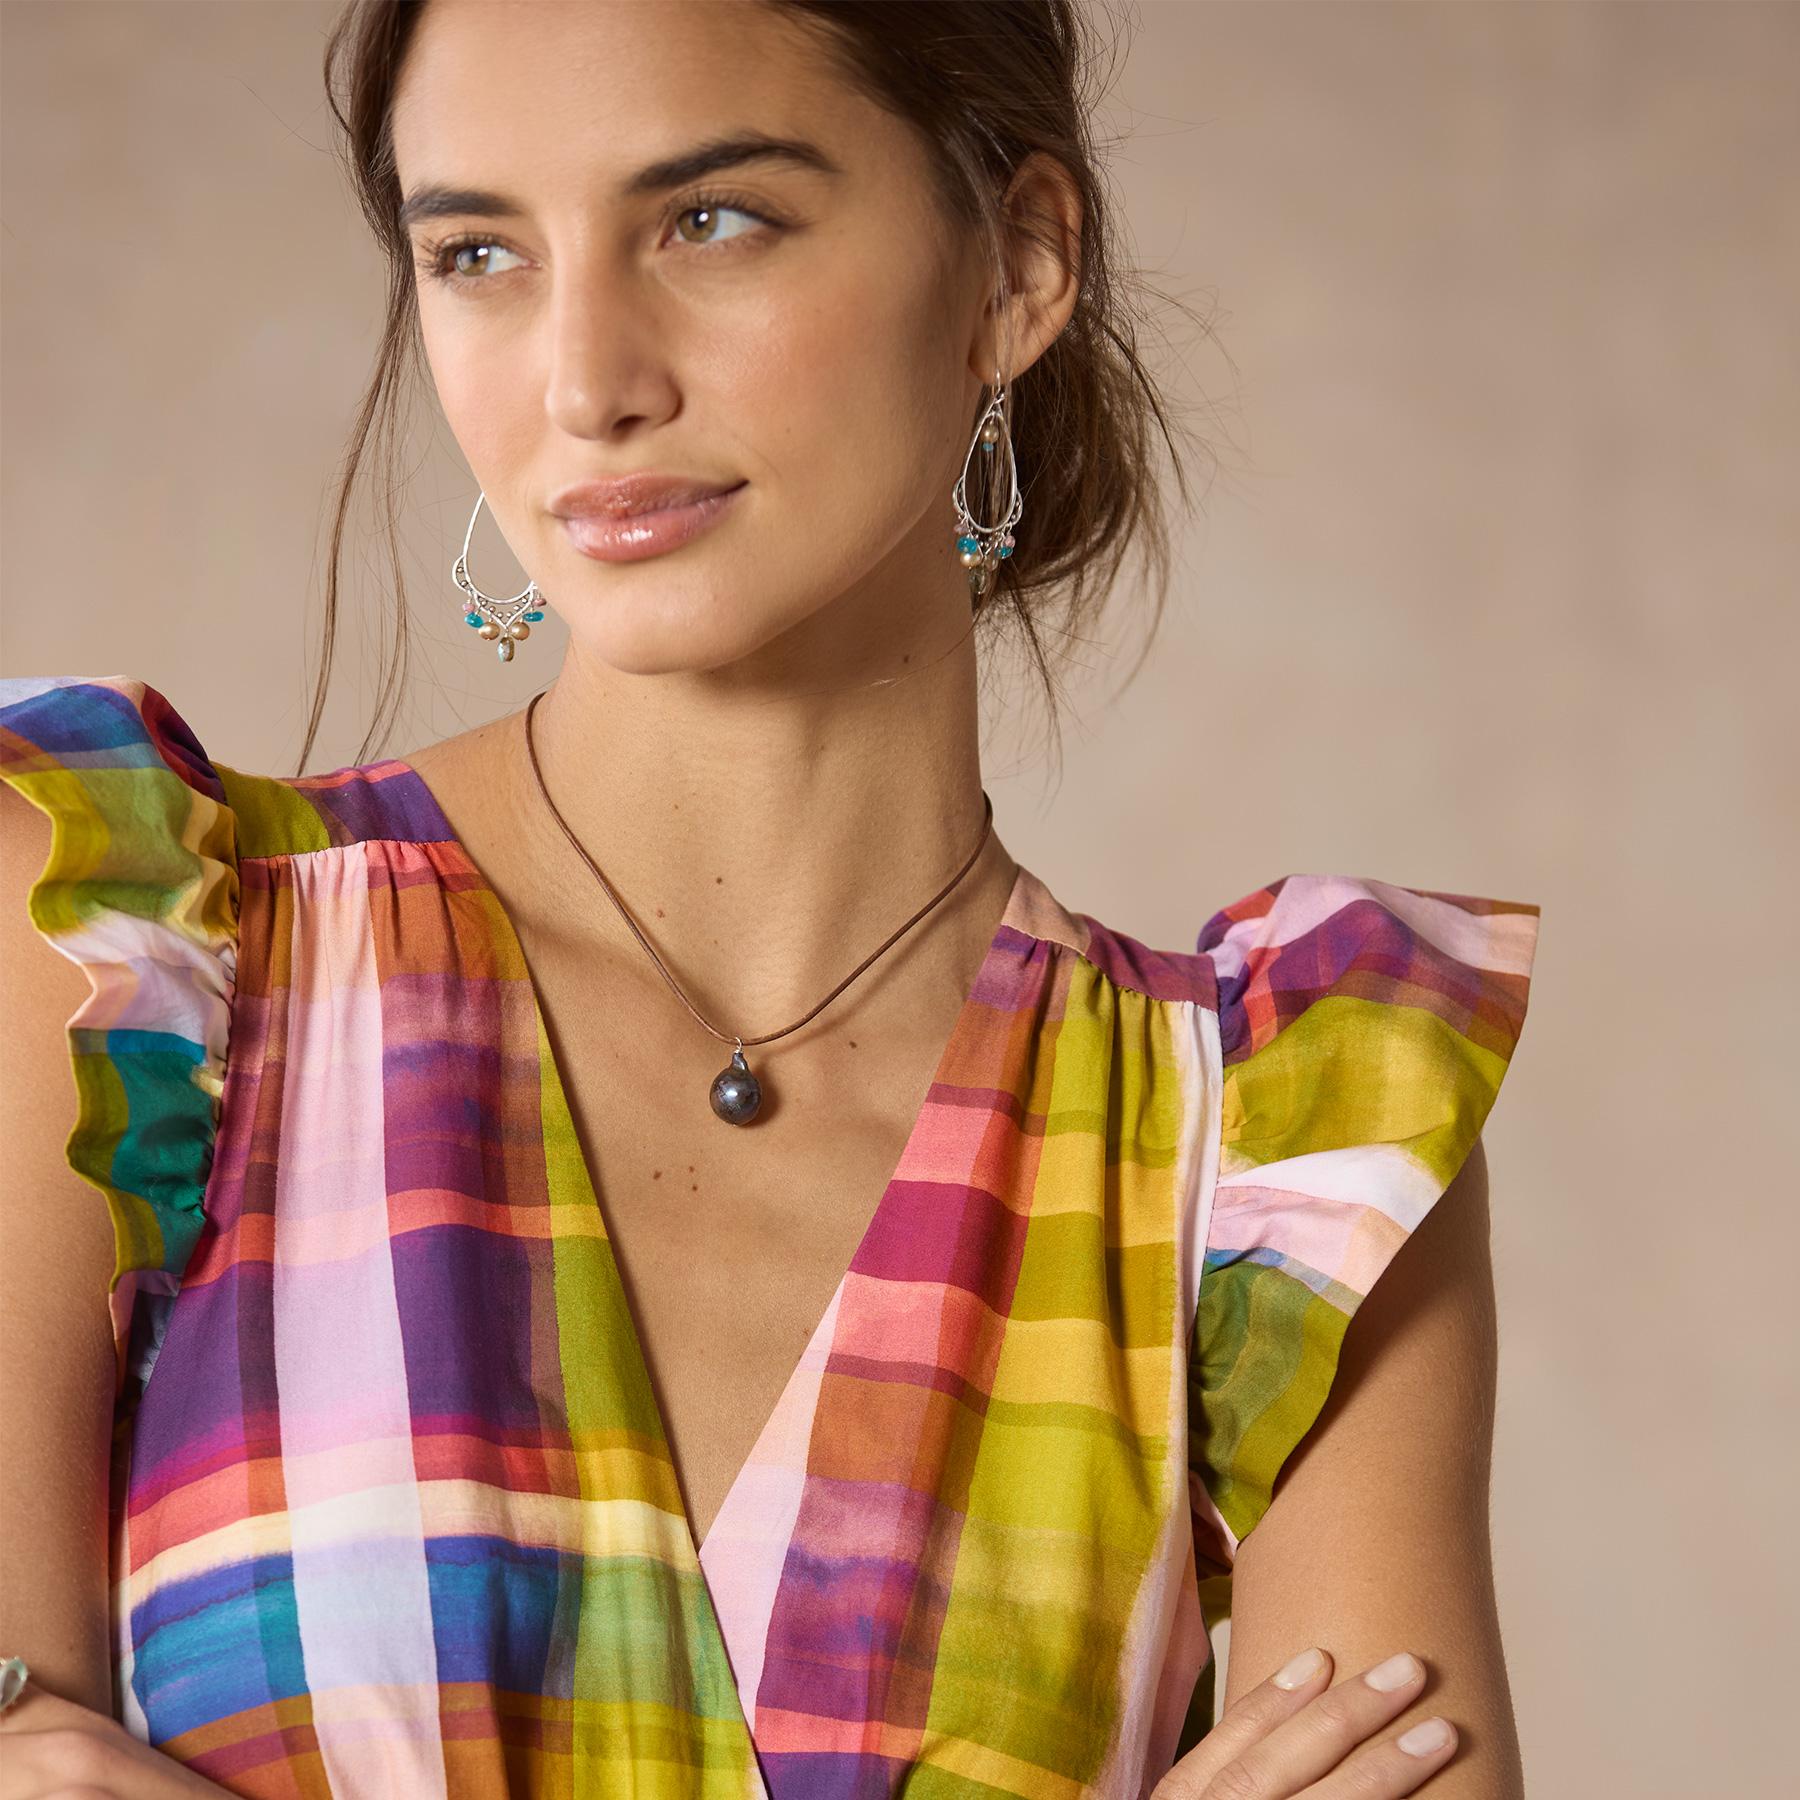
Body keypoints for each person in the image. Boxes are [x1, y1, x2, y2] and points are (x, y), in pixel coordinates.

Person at [0, 3, 1540, 1797]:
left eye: (710, 220)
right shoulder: (106, 951)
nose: (586, 382)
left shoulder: (1282, 1144)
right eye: (481, 252)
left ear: (1020, 266)